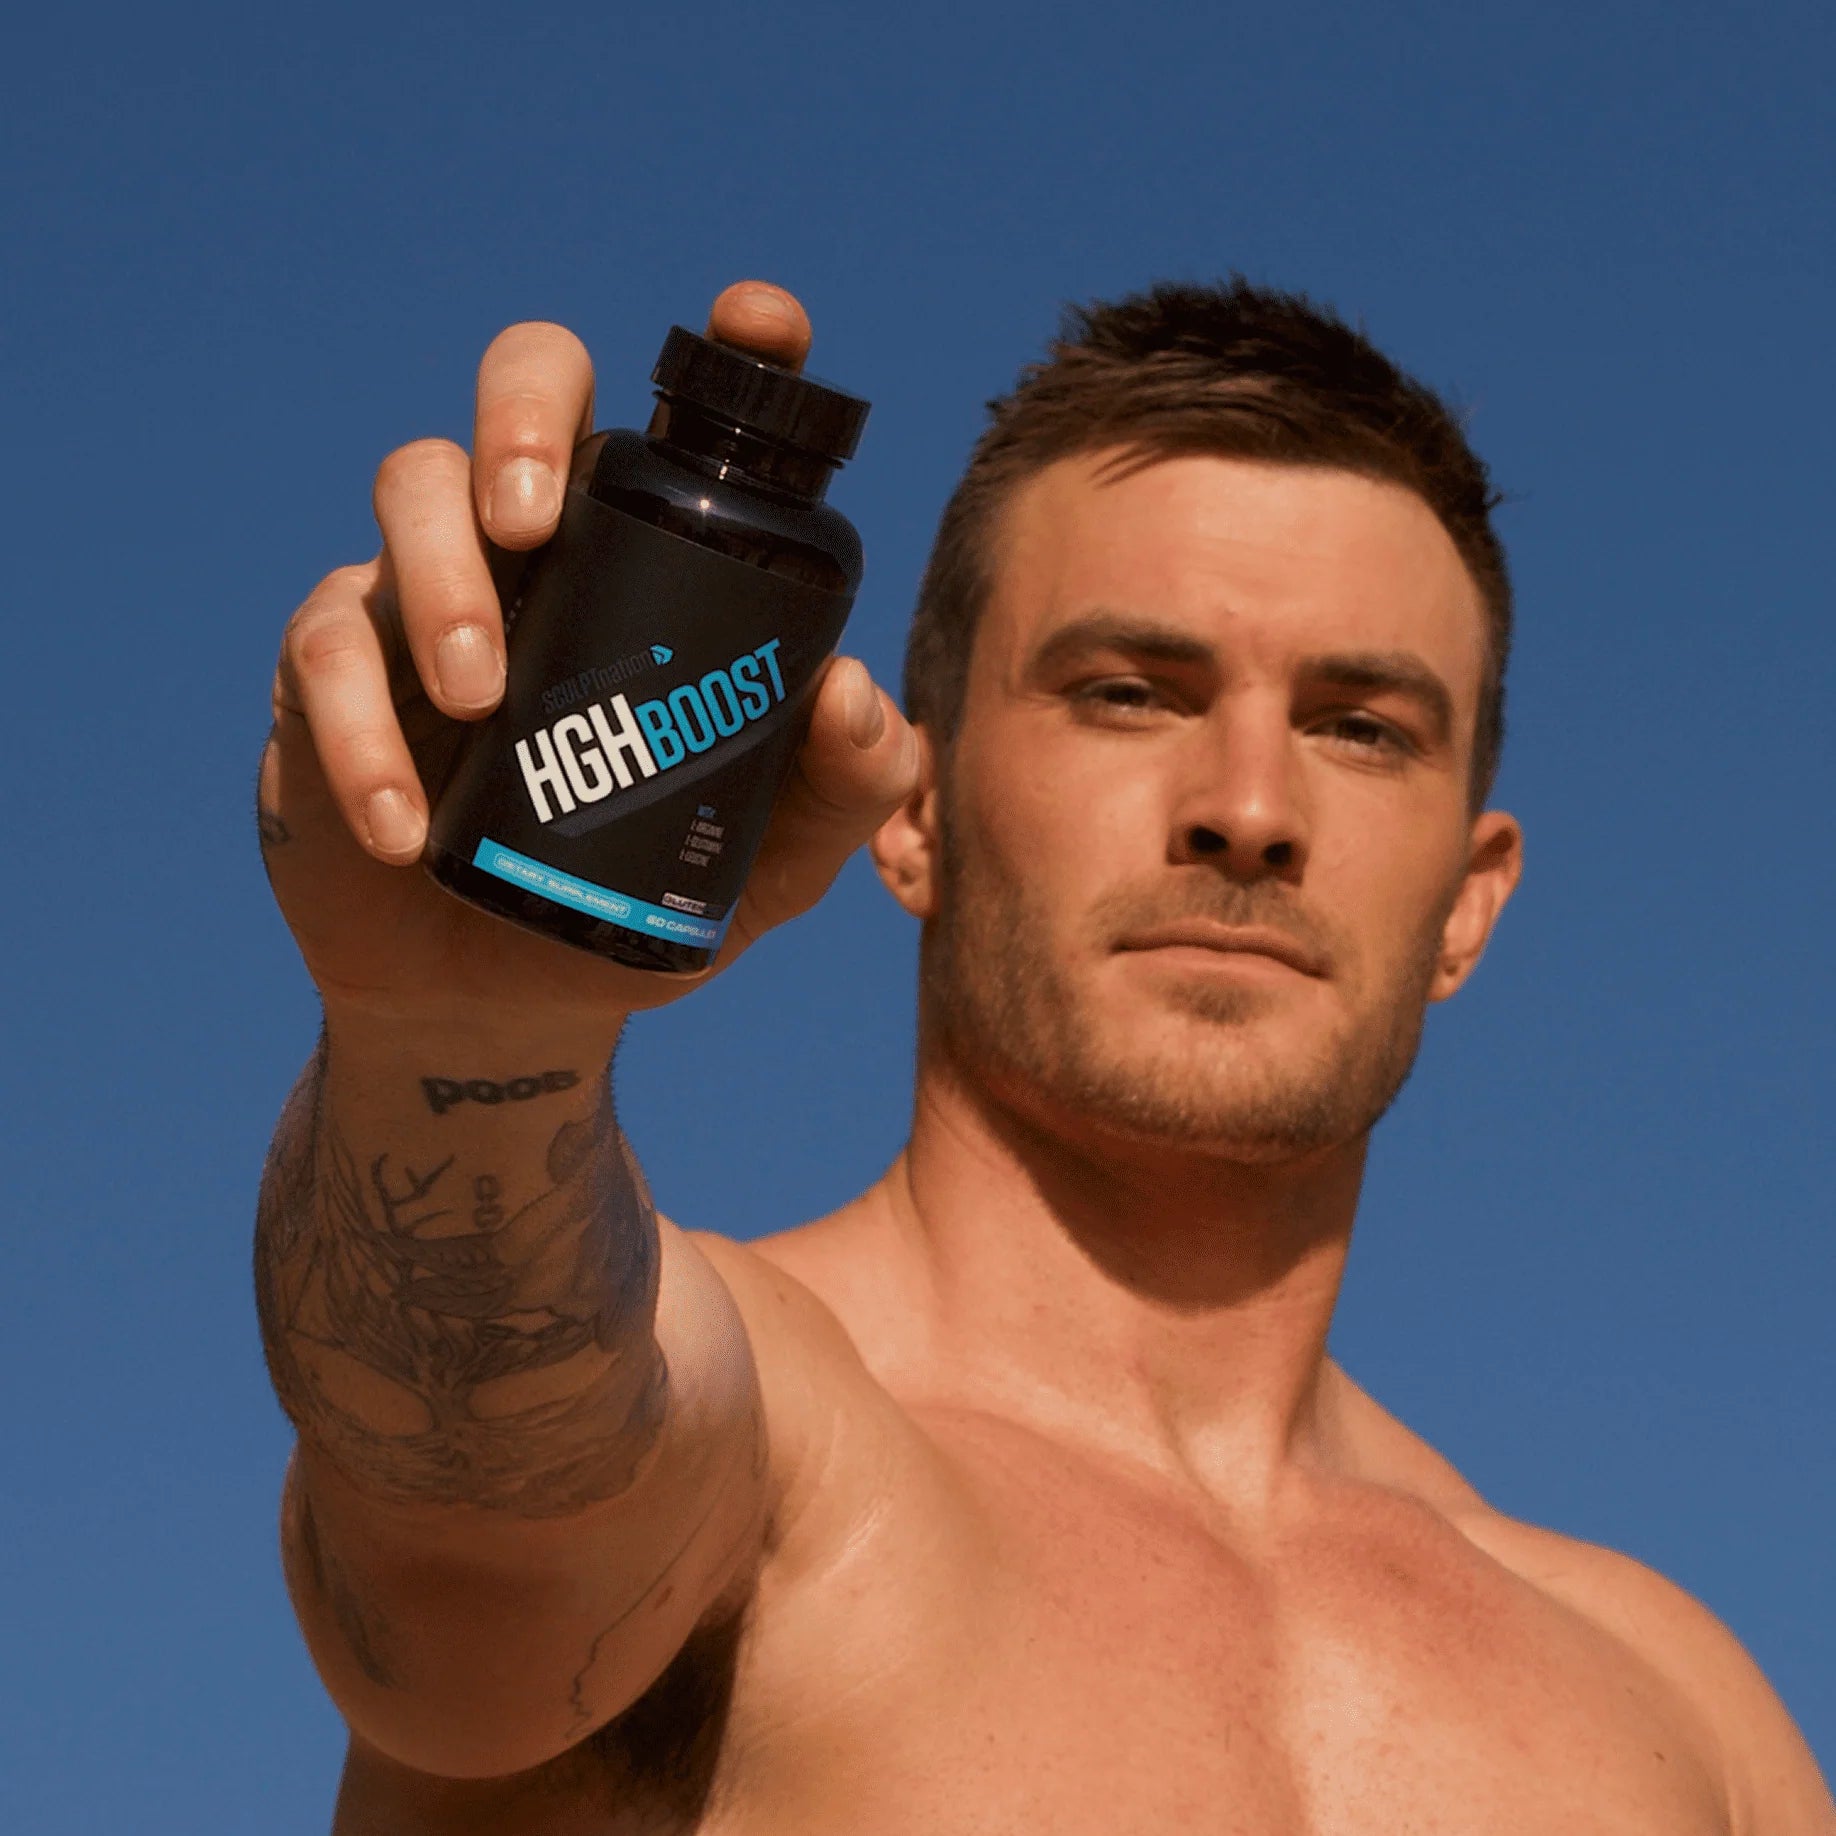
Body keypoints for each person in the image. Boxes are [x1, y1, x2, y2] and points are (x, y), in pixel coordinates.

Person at [254, 278, 1833, 1836]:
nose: (1249, 809)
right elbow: (461, 1586)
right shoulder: (742, 1456)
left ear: (1470, 902)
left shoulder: (1682, 1716)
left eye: (1362, 727)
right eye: (1129, 694)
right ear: (915, 809)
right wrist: (467, 1040)